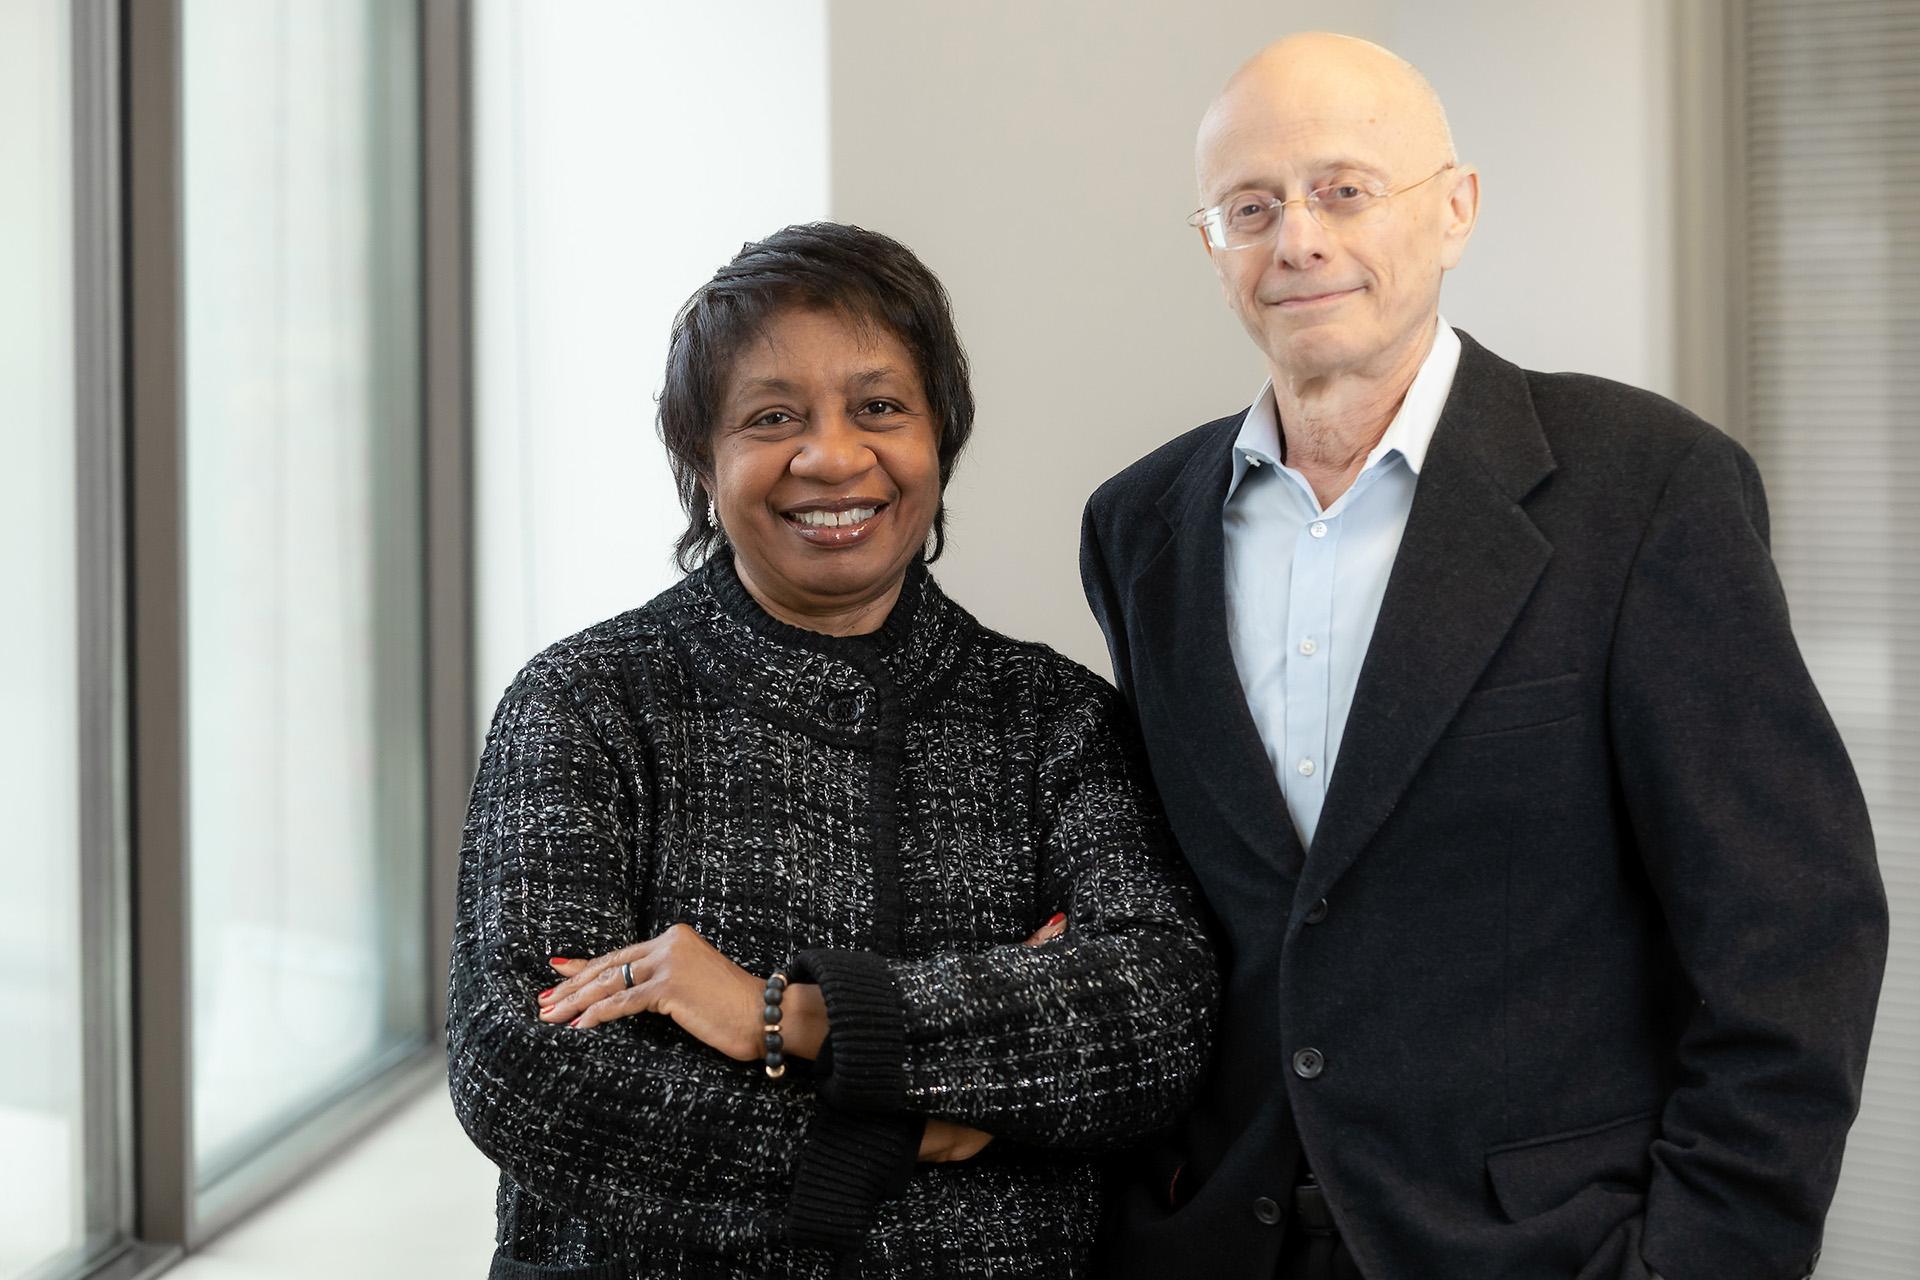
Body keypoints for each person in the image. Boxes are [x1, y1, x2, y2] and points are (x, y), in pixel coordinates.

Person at [1081, 31, 1887, 1280]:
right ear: (1212, 244)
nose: (1297, 238)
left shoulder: (1647, 487)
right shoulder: (1140, 527)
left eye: (1345, 189)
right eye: (1251, 206)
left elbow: (1794, 935)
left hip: (1551, 1248)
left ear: (1454, 210)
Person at [446, 221, 1217, 1279]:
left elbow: (1154, 1020)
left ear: (941, 434)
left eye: (880, 407)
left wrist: (778, 1013)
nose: (833, 456)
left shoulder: (1055, 716)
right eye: (772, 417)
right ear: (700, 457)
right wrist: (904, 1131)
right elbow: (528, 1070)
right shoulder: (587, 700)